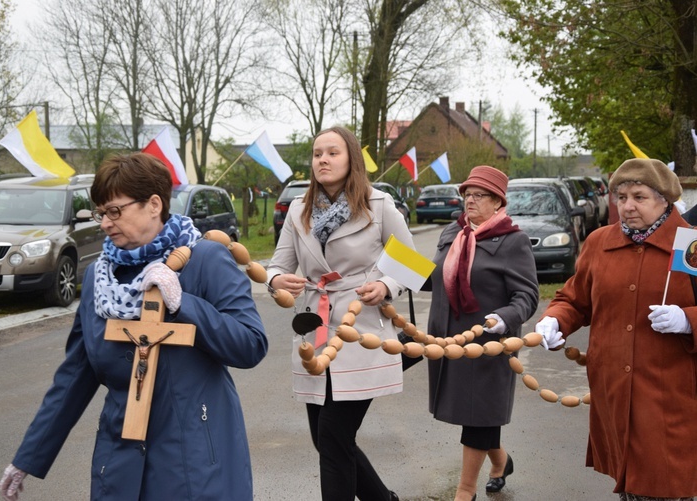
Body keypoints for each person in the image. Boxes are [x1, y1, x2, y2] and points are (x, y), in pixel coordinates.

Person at [0, 153, 268, 500]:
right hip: (120, 467)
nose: (106, 223)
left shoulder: (204, 260)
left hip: (197, 463)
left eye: (115, 211)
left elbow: (250, 344)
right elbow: (74, 377)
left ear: (154, 205)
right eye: (101, 212)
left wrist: (184, 303)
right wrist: (27, 458)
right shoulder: (99, 277)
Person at [535, 158, 697, 501]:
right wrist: (555, 318)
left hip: (670, 399)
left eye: (639, 197)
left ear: (664, 200)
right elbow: (575, 298)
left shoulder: (691, 246)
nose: (627, 206)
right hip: (614, 395)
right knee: (629, 486)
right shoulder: (599, 243)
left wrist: (688, 320)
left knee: (665, 485)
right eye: (620, 197)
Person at [266, 125, 414, 501]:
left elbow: (411, 264)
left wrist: (385, 286)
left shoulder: (379, 205)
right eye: (317, 154)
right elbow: (276, 266)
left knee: (332, 435)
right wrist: (277, 281)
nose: (323, 160)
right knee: (326, 438)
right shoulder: (299, 210)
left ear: (351, 158)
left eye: (333, 152)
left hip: (360, 330)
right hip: (314, 332)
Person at [425, 165, 539, 501]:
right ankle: (501, 461)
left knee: (479, 415)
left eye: (479, 195)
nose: (469, 201)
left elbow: (527, 296)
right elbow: (432, 276)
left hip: (490, 343)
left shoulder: (513, 241)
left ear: (498, 202)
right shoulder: (452, 233)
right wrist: (389, 270)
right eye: (467, 194)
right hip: (448, 338)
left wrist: (504, 318)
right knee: (476, 412)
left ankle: (465, 490)